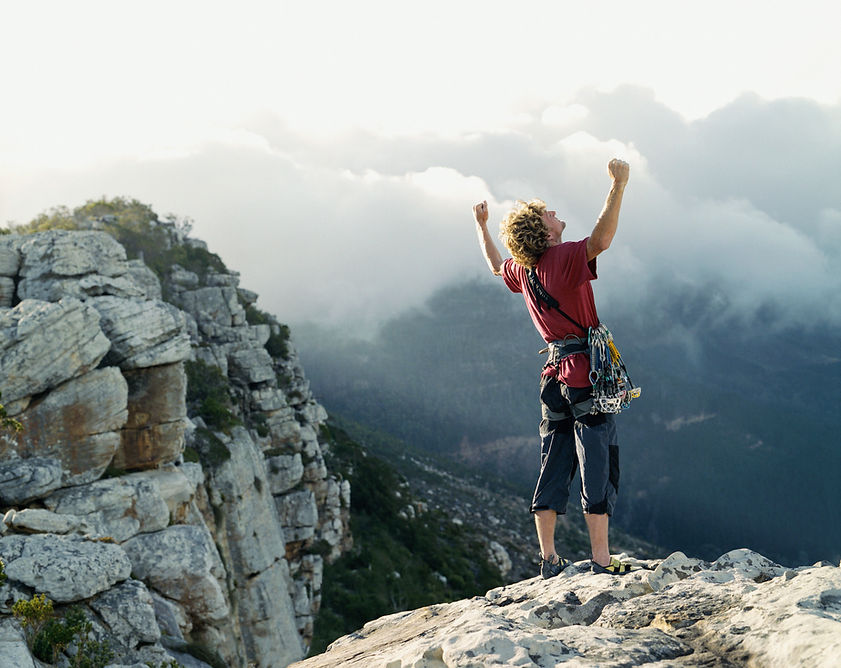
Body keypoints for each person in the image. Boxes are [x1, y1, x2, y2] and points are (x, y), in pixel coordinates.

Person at [472, 158, 636, 578]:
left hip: (553, 376)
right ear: (545, 232)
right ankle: (601, 562)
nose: (556, 213)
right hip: (584, 373)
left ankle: (548, 559)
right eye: (549, 213)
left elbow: (495, 265)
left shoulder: (525, 270)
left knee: (554, 460)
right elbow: (600, 241)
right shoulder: (561, 258)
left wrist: (482, 227)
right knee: (596, 460)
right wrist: (619, 185)